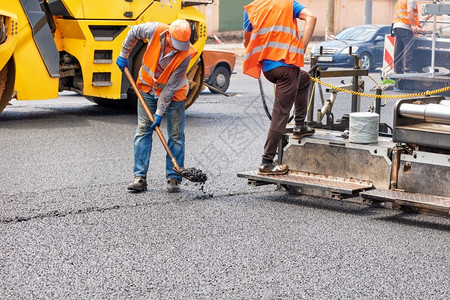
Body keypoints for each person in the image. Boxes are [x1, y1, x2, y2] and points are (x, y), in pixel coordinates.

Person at [116, 19, 197, 193]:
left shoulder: (185, 54)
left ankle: (174, 177)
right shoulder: (154, 30)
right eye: (175, 43)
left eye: (181, 45)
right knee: (144, 129)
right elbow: (133, 32)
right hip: (146, 89)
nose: (177, 48)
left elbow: (169, 88)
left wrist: (159, 113)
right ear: (168, 35)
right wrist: (124, 54)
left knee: (176, 135)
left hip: (173, 95)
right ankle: (140, 177)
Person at [243, 0, 317, 175]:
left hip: (269, 69)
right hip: (286, 67)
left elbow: (247, 42)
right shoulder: (288, 4)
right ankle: (266, 162)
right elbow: (312, 18)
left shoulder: (251, 8)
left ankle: (300, 125)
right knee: (281, 113)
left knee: (304, 79)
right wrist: (303, 47)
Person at [392, 0, 421, 74]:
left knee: (399, 48)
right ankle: (407, 69)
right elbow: (410, 12)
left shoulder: (400, 1)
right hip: (405, 26)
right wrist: (413, 26)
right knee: (409, 47)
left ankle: (397, 69)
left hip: (397, 25)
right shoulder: (410, 0)